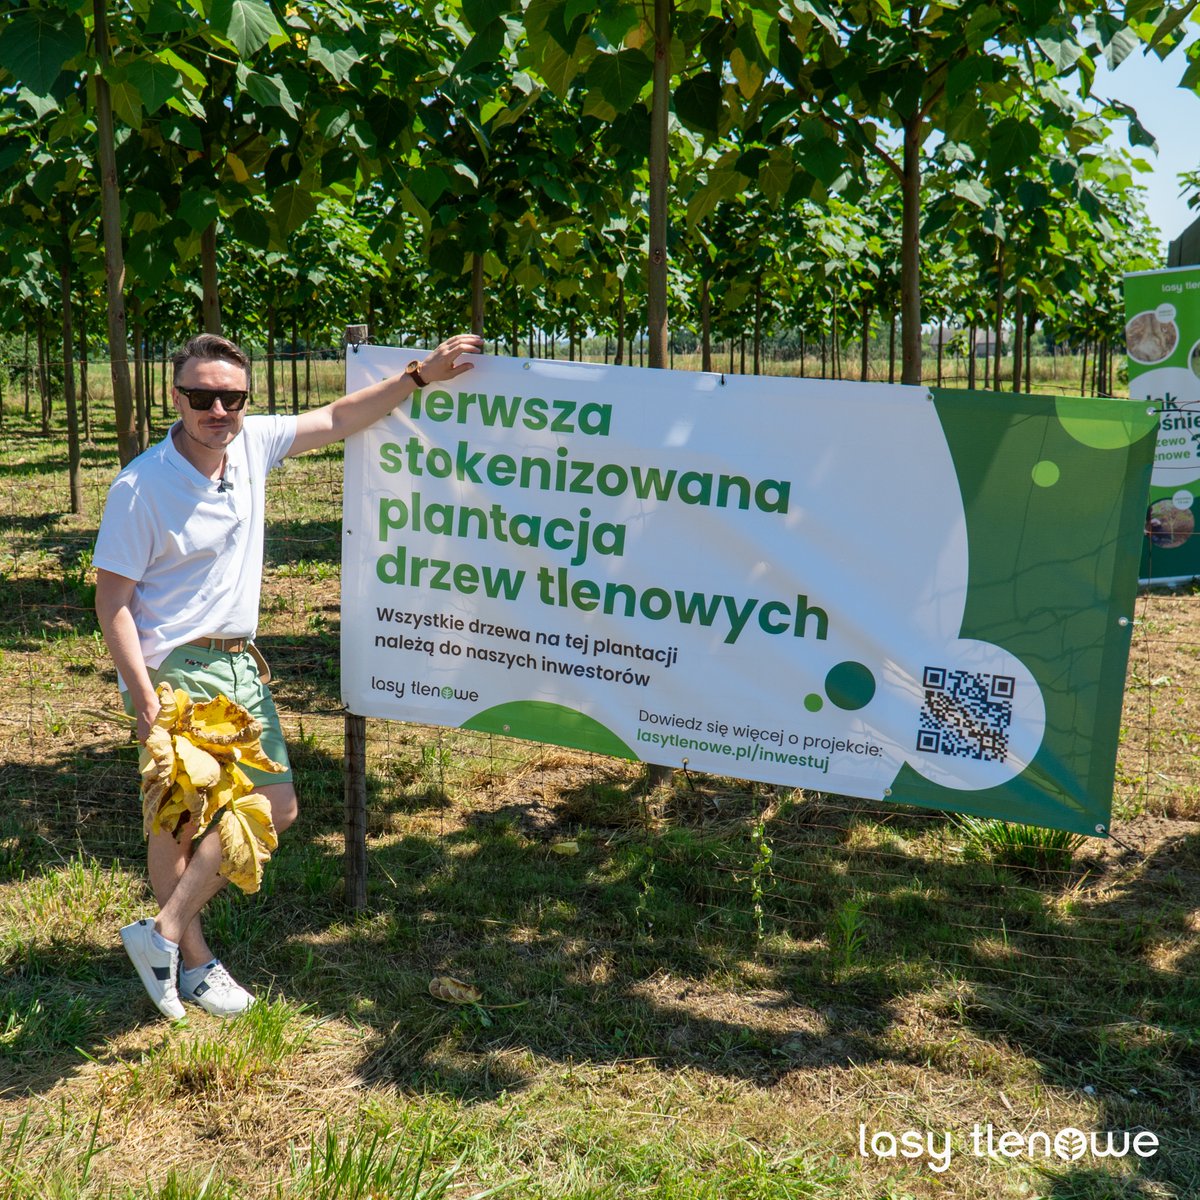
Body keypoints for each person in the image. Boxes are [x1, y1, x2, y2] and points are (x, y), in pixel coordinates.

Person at [94, 330, 482, 1020]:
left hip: (241, 662)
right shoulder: (141, 486)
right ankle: (195, 967)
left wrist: (419, 376)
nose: (218, 410)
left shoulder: (250, 444)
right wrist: (146, 697)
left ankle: (163, 933)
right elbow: (113, 601)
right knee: (179, 822)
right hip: (178, 667)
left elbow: (335, 418)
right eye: (202, 396)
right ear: (175, 396)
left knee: (277, 806)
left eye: (232, 397)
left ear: (247, 399)